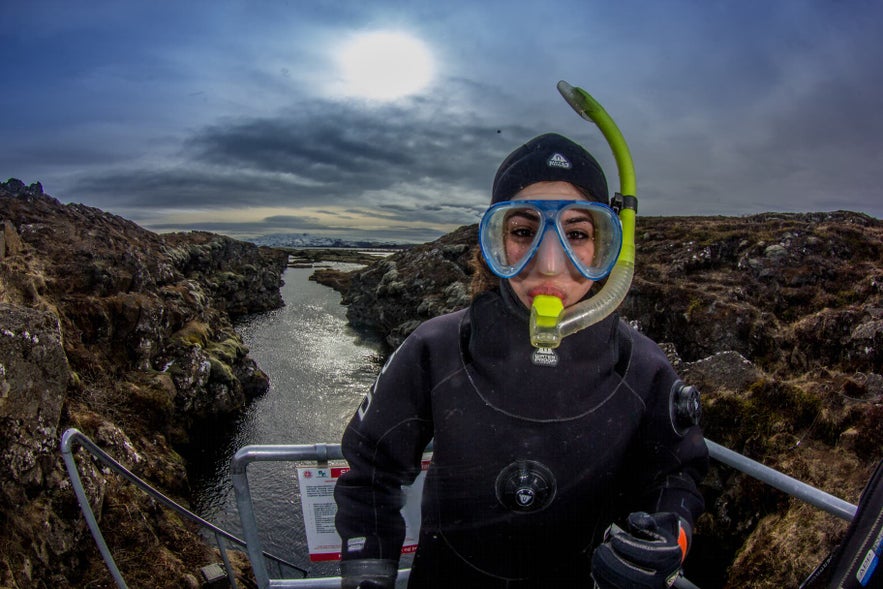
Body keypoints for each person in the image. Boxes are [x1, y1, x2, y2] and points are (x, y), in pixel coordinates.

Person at [334, 133, 708, 588]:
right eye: (523, 232)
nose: (549, 265)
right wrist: (367, 573)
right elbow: (370, 473)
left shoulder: (642, 367)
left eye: (576, 234)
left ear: (608, 249)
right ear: (493, 244)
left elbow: (676, 477)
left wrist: (668, 537)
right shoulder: (436, 348)